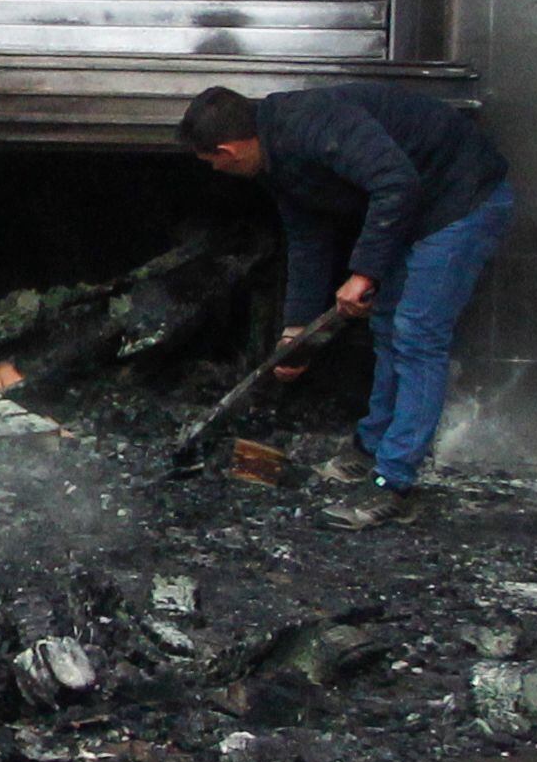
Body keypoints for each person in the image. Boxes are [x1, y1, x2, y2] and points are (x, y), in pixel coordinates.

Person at [178, 81, 515, 526]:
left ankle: (394, 485)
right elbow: (307, 238)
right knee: (388, 327)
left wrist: (364, 273)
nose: (216, 171)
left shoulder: (311, 124)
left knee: (416, 336)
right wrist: (298, 331)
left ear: (228, 150)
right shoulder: (277, 160)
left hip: (461, 198)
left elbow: (395, 182)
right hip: (417, 206)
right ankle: (371, 445)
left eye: (212, 162)